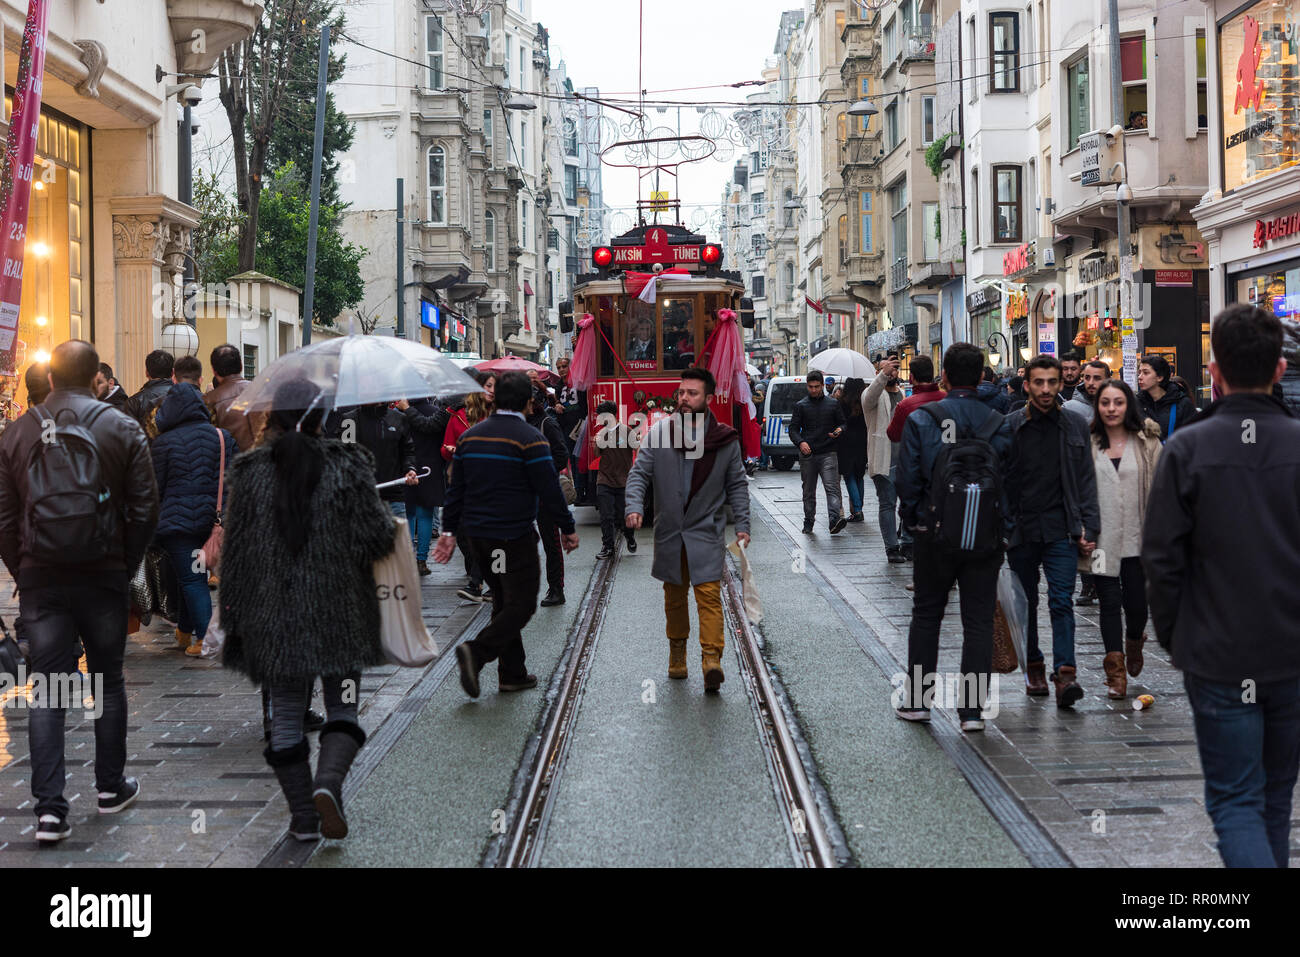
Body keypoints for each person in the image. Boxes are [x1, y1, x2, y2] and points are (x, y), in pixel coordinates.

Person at [1143, 304, 1300, 868]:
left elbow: (1161, 558)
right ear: (1279, 370)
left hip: (1218, 653)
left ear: (1214, 371)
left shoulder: (1189, 449)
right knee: (1275, 799)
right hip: (1289, 655)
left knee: (1237, 800)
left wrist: (1177, 638)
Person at [221, 378, 397, 842]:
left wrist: (233, 620)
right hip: (340, 612)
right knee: (342, 707)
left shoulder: (250, 471)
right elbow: (378, 539)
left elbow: (235, 555)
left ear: (274, 416)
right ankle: (328, 784)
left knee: (284, 715)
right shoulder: (349, 465)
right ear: (324, 418)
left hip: (273, 617)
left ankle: (303, 819)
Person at [0, 340, 158, 843]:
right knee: (107, 680)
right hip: (103, 572)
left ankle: (50, 811)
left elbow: (3, 518)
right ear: (96, 379)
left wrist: (23, 569)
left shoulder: (17, 433)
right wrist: (124, 561)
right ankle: (110, 788)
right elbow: (145, 507)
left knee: (48, 687)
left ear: (48, 380)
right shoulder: (121, 427)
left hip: (41, 579)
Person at [435, 371, 579, 698]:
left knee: (503, 600)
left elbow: (456, 490)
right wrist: (567, 528)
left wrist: (448, 532)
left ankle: (512, 673)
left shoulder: (471, 437)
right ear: (528, 402)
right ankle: (477, 651)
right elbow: (549, 489)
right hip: (513, 537)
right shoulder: (529, 439)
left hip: (480, 539)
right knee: (523, 603)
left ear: (495, 399)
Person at [895, 343, 1014, 731]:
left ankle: (917, 702)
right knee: (978, 621)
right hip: (985, 536)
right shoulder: (999, 421)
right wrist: (1005, 529)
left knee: (927, 615)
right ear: (981, 377)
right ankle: (972, 712)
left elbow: (908, 479)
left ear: (943, 375)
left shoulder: (924, 418)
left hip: (935, 534)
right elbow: (1012, 483)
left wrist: (914, 522)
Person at [625, 367, 750, 691]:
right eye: (681, 392)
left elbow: (737, 484)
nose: (683, 398)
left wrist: (743, 525)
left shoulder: (724, 439)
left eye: (691, 393)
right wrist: (635, 507)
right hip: (669, 531)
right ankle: (677, 655)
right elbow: (639, 474)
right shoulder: (659, 433)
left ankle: (711, 659)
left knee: (708, 595)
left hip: (705, 530)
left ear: (707, 399)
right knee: (675, 597)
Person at [1004, 354, 1100, 708]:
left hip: (1062, 527)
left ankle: (1066, 673)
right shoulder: (1011, 425)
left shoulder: (1074, 425)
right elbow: (1000, 480)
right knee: (1025, 603)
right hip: (1022, 530)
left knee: (1061, 601)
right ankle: (1034, 665)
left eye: (1052, 382)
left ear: (1061, 384)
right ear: (1027, 385)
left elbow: (1086, 479)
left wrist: (1091, 526)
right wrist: (1004, 525)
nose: (1045, 389)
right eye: (1039, 383)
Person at [150, 355, 237, 657]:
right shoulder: (222, 437)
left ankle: (205, 638)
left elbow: (156, 488)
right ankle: (185, 632)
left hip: (178, 524)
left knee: (191, 578)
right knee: (193, 575)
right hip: (212, 520)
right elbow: (233, 479)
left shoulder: (163, 444)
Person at [1083, 378, 1160, 699]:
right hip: (1101, 540)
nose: (1111, 409)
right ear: (1097, 407)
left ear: (1128, 405)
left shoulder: (1147, 442)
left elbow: (1162, 489)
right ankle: (1115, 672)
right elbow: (1079, 491)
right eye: (1105, 403)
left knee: (1137, 603)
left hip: (1138, 537)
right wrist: (1082, 529)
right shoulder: (1087, 442)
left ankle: (1134, 638)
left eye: (1118, 402)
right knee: (1109, 602)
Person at [1063, 358, 1112, 607]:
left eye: (1097, 378)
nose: (1091, 383)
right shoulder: (1072, 407)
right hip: (1083, 476)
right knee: (1088, 531)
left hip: (1112, 476)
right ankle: (1089, 583)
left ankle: (1105, 580)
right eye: (1087, 378)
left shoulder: (1118, 403)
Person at [443, 372, 495, 602]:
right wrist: (451, 450)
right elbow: (444, 448)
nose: (492, 390)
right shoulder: (459, 416)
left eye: (495, 386)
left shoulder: (498, 416)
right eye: (488, 386)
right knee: (465, 534)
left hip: (490, 482)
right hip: (464, 482)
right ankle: (480, 576)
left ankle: (478, 582)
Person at [526, 387, 572, 606]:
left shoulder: (548, 423)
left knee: (551, 543)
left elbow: (562, 456)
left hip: (544, 493)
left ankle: (556, 588)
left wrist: (541, 471)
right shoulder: (521, 423)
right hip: (525, 493)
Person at [333, 403, 417, 517]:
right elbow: (344, 455)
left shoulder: (399, 418)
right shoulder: (350, 420)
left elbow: (408, 451)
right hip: (360, 497)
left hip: (393, 496)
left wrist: (410, 468)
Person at [396, 395, 449, 576]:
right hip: (431, 468)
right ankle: (421, 561)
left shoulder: (398, 414)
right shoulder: (436, 413)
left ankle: (409, 559)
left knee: (408, 514)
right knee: (425, 516)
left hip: (405, 468)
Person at [790, 369, 847, 535]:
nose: (813, 390)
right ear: (807, 386)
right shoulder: (801, 405)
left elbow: (843, 423)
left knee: (832, 488)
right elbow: (793, 429)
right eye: (810, 387)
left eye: (816, 386)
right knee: (808, 490)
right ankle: (809, 520)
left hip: (828, 452)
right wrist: (801, 442)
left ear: (823, 385)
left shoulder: (833, 404)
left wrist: (838, 430)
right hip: (808, 454)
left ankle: (834, 520)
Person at [862, 357, 909, 557]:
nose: (890, 373)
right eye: (885, 370)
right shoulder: (872, 394)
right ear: (878, 374)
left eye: (893, 369)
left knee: (908, 504)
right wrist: (883, 374)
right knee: (888, 504)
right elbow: (868, 398)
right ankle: (891, 547)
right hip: (883, 458)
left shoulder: (903, 393)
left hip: (905, 459)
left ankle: (907, 542)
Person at [593, 400, 638, 558]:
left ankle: (629, 536)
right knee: (606, 515)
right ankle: (608, 547)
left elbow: (638, 449)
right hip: (604, 479)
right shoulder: (601, 433)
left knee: (623, 516)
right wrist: (597, 441)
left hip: (624, 481)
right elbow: (597, 454)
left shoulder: (627, 431)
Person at [204, 343, 263, 452]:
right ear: (241, 365)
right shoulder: (263, 390)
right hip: (266, 461)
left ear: (214, 371)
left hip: (233, 464)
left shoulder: (209, 401)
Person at [886, 355, 946, 444]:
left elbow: (893, 435)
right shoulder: (947, 399)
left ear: (911, 378)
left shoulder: (904, 406)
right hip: (945, 455)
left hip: (918, 456)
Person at [1137, 354, 1197, 441]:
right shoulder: (1136, 403)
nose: (1140, 377)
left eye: (1145, 373)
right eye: (1139, 373)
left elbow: (1192, 439)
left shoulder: (1182, 404)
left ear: (1160, 377)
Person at [836, 378, 868, 523]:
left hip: (846, 441)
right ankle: (858, 507)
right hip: (862, 440)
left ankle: (857, 510)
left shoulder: (842, 402)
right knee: (859, 475)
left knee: (849, 476)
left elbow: (838, 421)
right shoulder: (865, 401)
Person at [125, 349, 175, 427]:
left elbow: (130, 434)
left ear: (146, 373)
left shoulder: (134, 402)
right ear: (172, 372)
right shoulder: (186, 396)